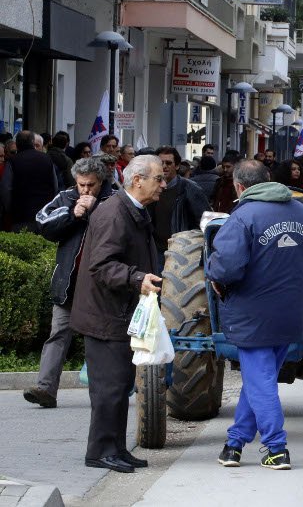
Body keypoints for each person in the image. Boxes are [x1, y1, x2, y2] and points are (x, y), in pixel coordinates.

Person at [207, 160, 303, 470]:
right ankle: (234, 445)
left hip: (253, 314)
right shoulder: (300, 212)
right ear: (268, 179)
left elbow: (225, 267)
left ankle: (276, 448)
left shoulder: (242, 217)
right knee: (260, 380)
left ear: (240, 187)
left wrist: (213, 274)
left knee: (260, 382)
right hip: (290, 312)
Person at [70, 154, 165, 473]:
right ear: (137, 180)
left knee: (120, 385)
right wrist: (137, 279)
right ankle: (100, 452)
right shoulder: (115, 212)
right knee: (109, 389)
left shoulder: (130, 209)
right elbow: (102, 266)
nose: (163, 185)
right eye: (158, 179)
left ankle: (115, 448)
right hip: (104, 315)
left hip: (118, 314)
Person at [24, 158, 113, 408]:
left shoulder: (113, 199)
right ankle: (45, 389)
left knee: (100, 339)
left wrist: (95, 210)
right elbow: (42, 222)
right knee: (58, 334)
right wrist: (72, 214)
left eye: (91, 185)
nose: (85, 190)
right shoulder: (66, 197)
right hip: (68, 282)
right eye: (81, 185)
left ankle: (104, 393)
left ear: (101, 181)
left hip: (99, 285)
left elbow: (120, 229)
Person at [148, 146, 210, 268]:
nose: (164, 166)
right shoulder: (150, 187)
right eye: (161, 163)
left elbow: (204, 221)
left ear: (177, 166)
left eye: (169, 163)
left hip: (181, 252)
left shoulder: (190, 189)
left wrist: (191, 244)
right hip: (156, 250)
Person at [0, 130, 59, 233]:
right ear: (32, 142)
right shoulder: (46, 159)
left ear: (17, 144)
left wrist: (10, 209)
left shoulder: (13, 161)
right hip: (44, 214)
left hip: (20, 215)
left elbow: (6, 188)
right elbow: (55, 185)